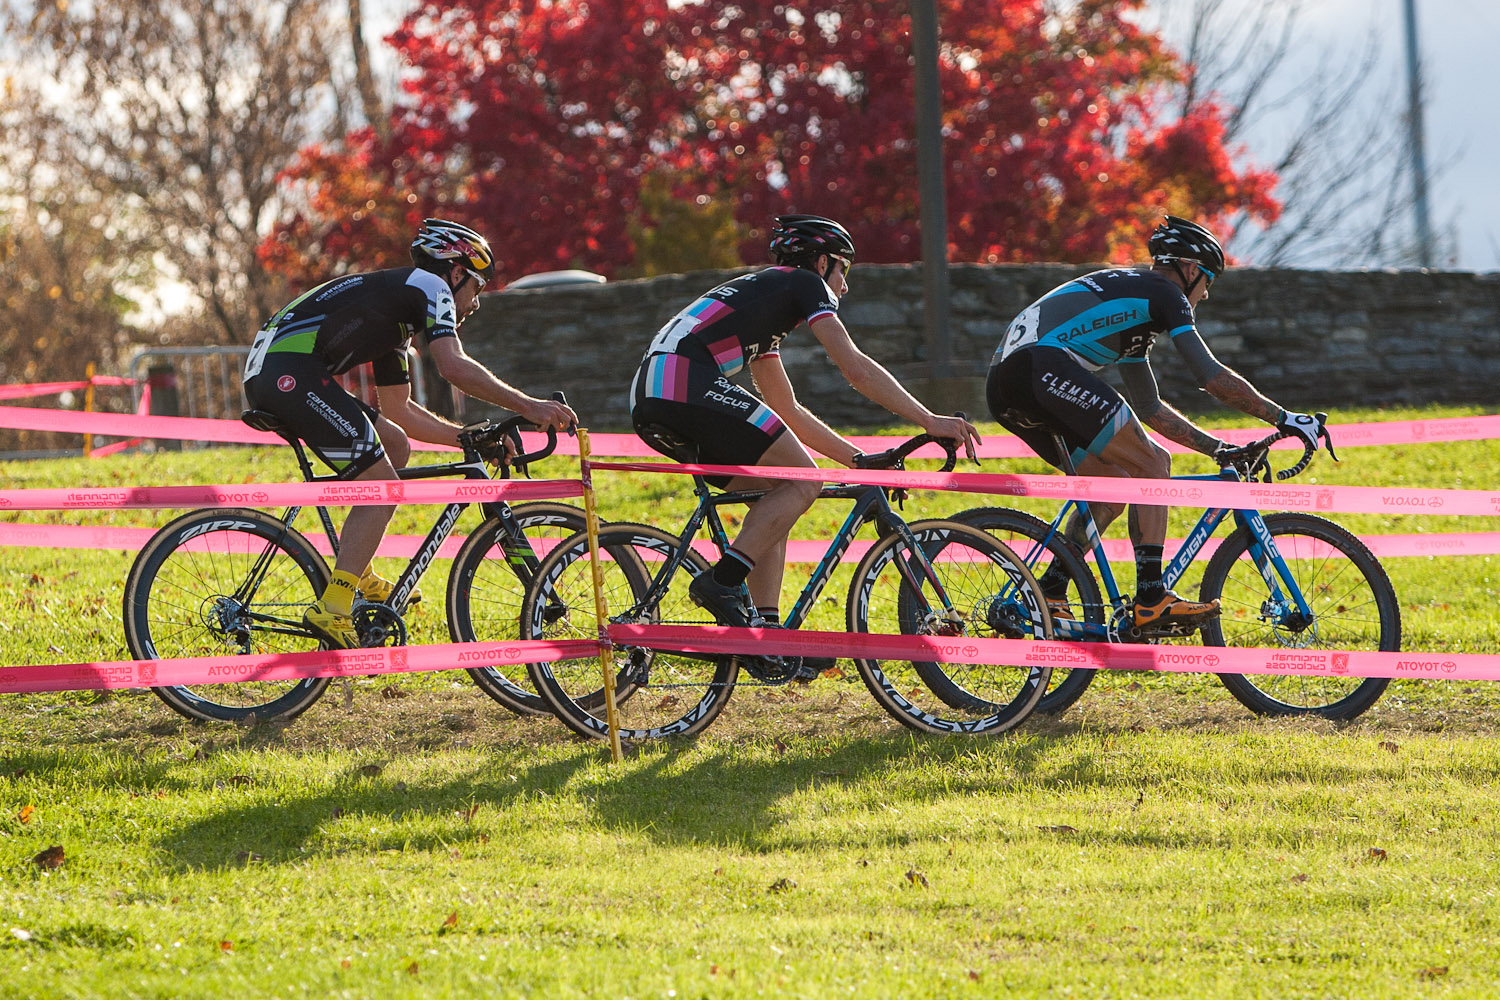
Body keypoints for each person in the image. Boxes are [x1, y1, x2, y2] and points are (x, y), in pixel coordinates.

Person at [629, 214, 981, 631]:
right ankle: (720, 583)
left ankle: (766, 633)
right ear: (820, 263)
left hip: (651, 393)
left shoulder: (763, 308)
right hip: (683, 382)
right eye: (843, 268)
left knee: (780, 492)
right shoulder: (803, 283)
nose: (845, 285)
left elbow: (787, 410)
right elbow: (856, 369)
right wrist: (929, 419)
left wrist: (857, 460)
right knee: (804, 481)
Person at [242, 218, 577, 649]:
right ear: (456, 273)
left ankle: (356, 571)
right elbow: (453, 366)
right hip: (288, 372)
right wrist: (530, 407)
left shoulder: (397, 317)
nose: (475, 304)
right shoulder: (430, 286)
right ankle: (335, 606)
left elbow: (400, 412)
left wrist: (469, 439)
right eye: (475, 288)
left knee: (394, 444)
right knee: (383, 484)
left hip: (286, 371)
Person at [986, 215, 1326, 633]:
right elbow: (1210, 376)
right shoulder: (1164, 292)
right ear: (1189, 270)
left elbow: (1150, 408)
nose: (1205, 295)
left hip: (1005, 387)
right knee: (1152, 464)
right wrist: (1285, 418)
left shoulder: (1133, 308)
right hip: (1041, 368)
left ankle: (1050, 592)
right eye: (1208, 282)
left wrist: (1218, 449)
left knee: (1113, 488)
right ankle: (1150, 599)